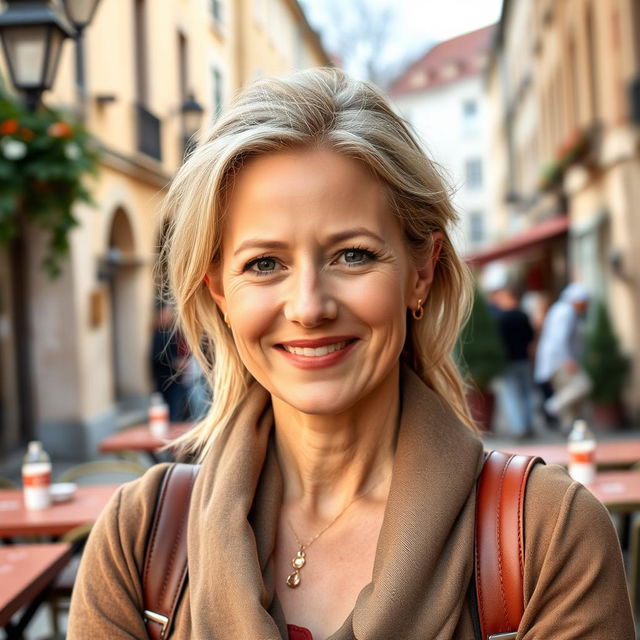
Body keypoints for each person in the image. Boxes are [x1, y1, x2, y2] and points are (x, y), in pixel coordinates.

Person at [68, 69, 633, 639]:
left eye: (353, 255)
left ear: (421, 271)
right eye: (265, 264)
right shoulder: (141, 542)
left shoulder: (542, 536)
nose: (309, 307)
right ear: (219, 291)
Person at [534, 283, 592, 433]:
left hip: (556, 361)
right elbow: (559, 338)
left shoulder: (561, 310)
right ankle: (551, 406)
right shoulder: (566, 312)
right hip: (560, 361)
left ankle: (569, 428)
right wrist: (567, 359)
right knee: (582, 386)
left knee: (568, 395)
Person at [485, 270, 535, 439]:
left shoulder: (500, 319)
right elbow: (530, 337)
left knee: (511, 395)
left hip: (507, 361)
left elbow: (496, 342)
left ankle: (519, 427)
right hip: (523, 359)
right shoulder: (523, 314)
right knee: (527, 394)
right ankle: (528, 425)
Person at [150, 305, 190, 421]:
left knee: (175, 410)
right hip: (166, 379)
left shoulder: (169, 332)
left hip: (173, 379)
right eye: (166, 314)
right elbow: (157, 357)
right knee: (171, 411)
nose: (169, 316)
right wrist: (176, 363)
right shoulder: (159, 334)